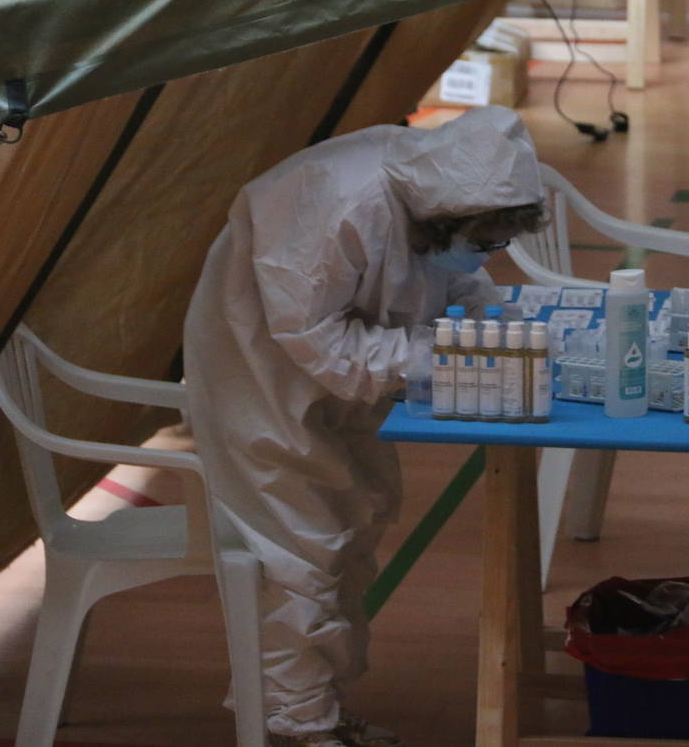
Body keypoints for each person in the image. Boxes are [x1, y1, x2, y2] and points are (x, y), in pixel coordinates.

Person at [184, 106, 546, 747]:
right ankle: (298, 726)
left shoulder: (439, 190)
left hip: (341, 392)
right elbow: (312, 335)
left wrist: (498, 325)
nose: (488, 252)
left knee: (350, 535)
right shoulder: (338, 201)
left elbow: (453, 273)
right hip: (264, 382)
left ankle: (310, 709)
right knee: (299, 552)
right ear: (447, 217)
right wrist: (437, 355)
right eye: (485, 239)